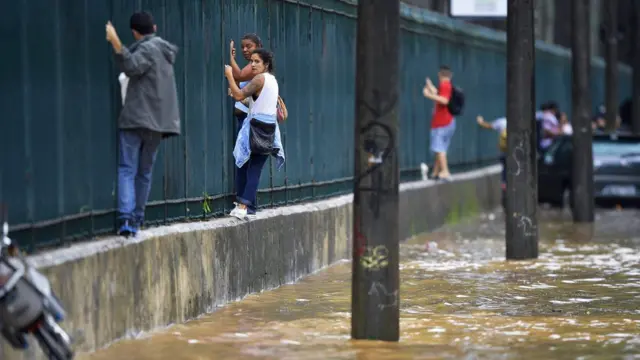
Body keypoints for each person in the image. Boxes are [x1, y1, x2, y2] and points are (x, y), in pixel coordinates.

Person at [105, 11, 180, 236]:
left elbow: (131, 65)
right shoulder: (164, 51)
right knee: (144, 172)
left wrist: (115, 41)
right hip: (157, 124)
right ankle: (137, 219)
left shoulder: (148, 48)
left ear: (135, 32)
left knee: (128, 168)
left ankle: (127, 220)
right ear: (154, 28)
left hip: (137, 119)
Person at [224, 49, 285, 219]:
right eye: (251, 61)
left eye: (257, 61)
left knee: (243, 164)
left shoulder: (259, 79)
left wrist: (230, 75)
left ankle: (243, 205)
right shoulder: (272, 81)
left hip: (255, 129)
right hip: (269, 130)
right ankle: (248, 207)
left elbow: (238, 95)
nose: (252, 64)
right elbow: (257, 101)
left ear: (266, 64)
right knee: (254, 168)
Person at [423, 65, 456, 181]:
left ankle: (445, 171)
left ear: (440, 75)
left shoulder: (445, 85)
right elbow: (440, 94)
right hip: (448, 122)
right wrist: (431, 87)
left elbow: (444, 100)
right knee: (440, 148)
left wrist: (428, 95)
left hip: (441, 122)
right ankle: (436, 172)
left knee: (438, 148)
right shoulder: (448, 86)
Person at [229, 34, 263, 134]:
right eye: (242, 47)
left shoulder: (257, 65)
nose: (244, 50)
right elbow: (236, 83)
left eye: (248, 46)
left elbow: (239, 75)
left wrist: (231, 58)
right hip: (244, 119)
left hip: (250, 119)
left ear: (258, 46)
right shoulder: (250, 65)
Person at [476, 115, 507, 191]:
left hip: (504, 152)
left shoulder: (502, 121)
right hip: (515, 152)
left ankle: (504, 183)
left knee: (505, 168)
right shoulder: (521, 121)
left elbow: (489, 126)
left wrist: (480, 122)